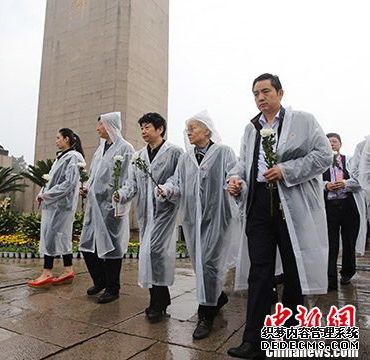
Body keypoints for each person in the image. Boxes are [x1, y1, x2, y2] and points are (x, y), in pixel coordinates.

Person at [226, 73, 332, 359]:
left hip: (292, 206)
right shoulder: (251, 129)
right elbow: (242, 162)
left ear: (280, 93)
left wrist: (287, 170)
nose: (260, 98)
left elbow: (324, 156)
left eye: (265, 92)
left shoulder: (304, 121)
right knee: (259, 272)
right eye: (255, 94)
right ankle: (252, 339)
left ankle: (290, 333)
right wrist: (236, 180)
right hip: (259, 204)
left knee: (294, 269)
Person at [158, 110, 239, 338]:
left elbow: (234, 172)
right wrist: (167, 189)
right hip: (193, 221)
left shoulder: (223, 152)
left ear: (207, 130)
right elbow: (178, 182)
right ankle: (217, 297)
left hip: (217, 218)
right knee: (200, 264)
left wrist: (235, 182)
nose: (189, 132)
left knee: (211, 264)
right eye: (187, 128)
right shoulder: (186, 158)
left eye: (193, 127)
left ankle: (206, 315)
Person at [114, 113, 183, 322]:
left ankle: (158, 302)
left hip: (164, 212)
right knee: (150, 254)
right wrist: (122, 194)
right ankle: (160, 299)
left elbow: (178, 177)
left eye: (147, 127)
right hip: (146, 214)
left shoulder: (174, 152)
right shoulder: (139, 156)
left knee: (156, 253)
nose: (143, 131)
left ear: (160, 129)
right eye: (141, 128)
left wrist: (167, 189)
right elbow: (132, 184)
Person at [79, 112, 135, 304]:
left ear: (110, 125)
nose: (97, 128)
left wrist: (120, 197)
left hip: (111, 207)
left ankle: (113, 288)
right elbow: (93, 173)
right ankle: (100, 280)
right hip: (94, 206)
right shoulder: (100, 148)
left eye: (101, 124)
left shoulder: (125, 148)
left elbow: (129, 178)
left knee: (112, 249)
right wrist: (86, 188)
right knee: (88, 246)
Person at [27, 128, 86, 288]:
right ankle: (68, 270)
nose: (56, 140)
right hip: (55, 204)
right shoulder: (62, 158)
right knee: (61, 236)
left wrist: (46, 195)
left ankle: (47, 272)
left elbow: (68, 183)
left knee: (51, 236)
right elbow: (50, 180)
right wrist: (42, 193)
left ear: (66, 139)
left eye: (58, 137)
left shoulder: (72, 157)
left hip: (61, 204)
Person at [322, 133, 366, 290]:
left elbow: (360, 180)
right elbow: (313, 183)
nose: (332, 144)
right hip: (329, 208)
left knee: (349, 241)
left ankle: (347, 273)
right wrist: (325, 185)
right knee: (330, 244)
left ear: (340, 144)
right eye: (329, 142)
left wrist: (345, 183)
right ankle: (330, 278)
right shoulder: (321, 163)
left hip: (348, 206)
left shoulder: (350, 161)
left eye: (335, 141)